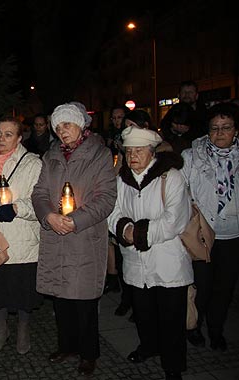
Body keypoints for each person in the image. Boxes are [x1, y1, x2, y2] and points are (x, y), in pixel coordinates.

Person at [32, 103, 117, 376]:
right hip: (56, 235)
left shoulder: (100, 155)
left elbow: (106, 198)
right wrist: (49, 216)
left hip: (83, 237)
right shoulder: (50, 156)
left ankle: (89, 352)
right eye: (57, 127)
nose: (62, 131)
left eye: (67, 124)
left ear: (81, 125)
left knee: (84, 301)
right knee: (61, 298)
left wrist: (75, 220)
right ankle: (67, 345)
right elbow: (39, 193)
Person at [108, 126, 193, 380]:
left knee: (171, 317)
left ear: (151, 152)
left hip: (167, 260)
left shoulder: (172, 177)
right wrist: (124, 228)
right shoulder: (122, 179)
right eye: (129, 151)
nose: (132, 156)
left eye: (139, 151)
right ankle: (149, 346)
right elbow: (113, 212)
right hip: (136, 262)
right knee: (144, 313)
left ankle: (173, 365)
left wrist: (138, 233)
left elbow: (174, 220)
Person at [0, 116, 43, 355]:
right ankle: (2, 329)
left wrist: (16, 208)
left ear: (19, 137)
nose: (1, 138)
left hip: (22, 240)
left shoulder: (32, 163)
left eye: (8, 134)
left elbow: (42, 203)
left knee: (23, 292)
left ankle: (23, 330)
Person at [181, 102, 239, 351]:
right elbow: (180, 190)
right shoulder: (192, 156)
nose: (220, 133)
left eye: (226, 127)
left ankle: (216, 330)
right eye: (214, 128)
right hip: (202, 234)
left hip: (233, 235)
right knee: (201, 286)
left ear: (235, 129)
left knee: (223, 289)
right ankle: (194, 325)